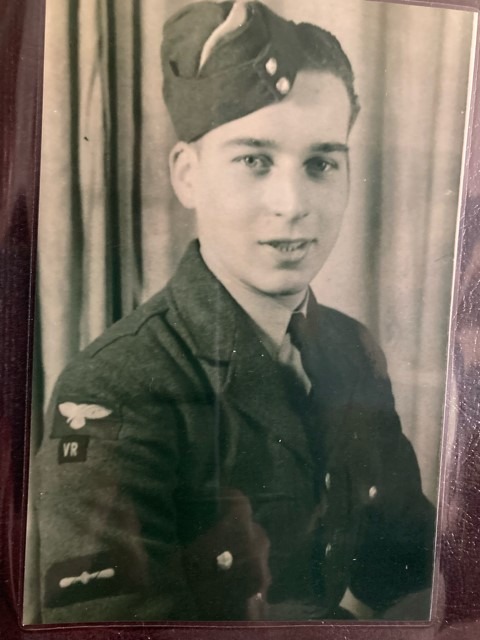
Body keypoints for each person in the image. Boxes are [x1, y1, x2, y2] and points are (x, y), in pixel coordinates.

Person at [34, 0, 435, 623]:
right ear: (188, 176)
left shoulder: (350, 350)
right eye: (254, 160)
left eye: (321, 163)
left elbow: (411, 558)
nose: (292, 203)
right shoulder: (117, 388)